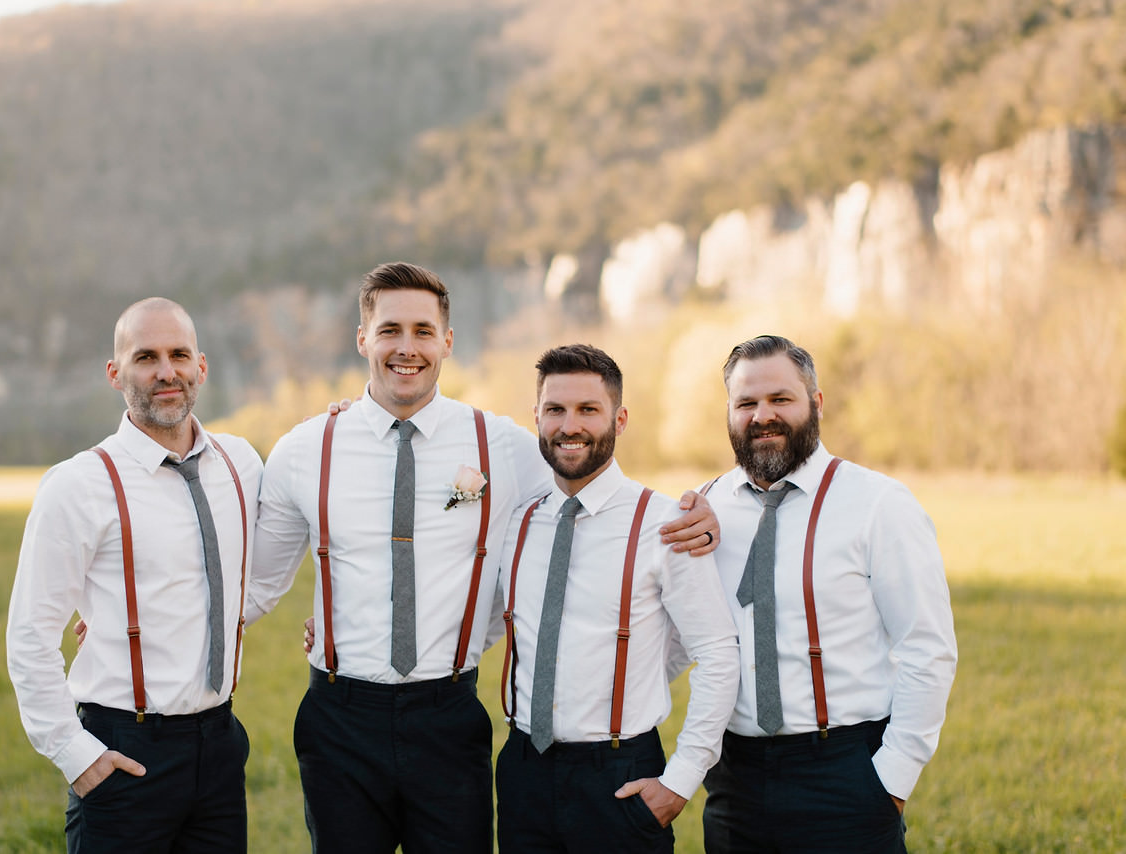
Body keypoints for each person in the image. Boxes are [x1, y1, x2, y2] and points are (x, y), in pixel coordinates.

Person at [246, 262, 719, 854]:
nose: (407, 347)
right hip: (339, 717)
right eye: (390, 329)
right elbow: (258, 586)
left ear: (447, 341)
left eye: (423, 330)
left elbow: (594, 477)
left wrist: (707, 508)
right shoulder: (303, 449)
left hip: (449, 715)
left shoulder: (505, 446)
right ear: (362, 337)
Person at [6, 298, 263, 853]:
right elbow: (30, 632)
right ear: (115, 372)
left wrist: (353, 412)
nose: (166, 372)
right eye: (146, 357)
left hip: (220, 745)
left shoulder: (242, 464)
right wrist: (76, 753)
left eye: (178, 355)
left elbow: (259, 567)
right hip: (123, 748)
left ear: (202, 366)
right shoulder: (78, 484)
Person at [696, 334, 958, 854]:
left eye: (780, 399)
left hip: (844, 773)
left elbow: (927, 648)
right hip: (734, 778)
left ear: (816, 404)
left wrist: (890, 782)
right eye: (746, 402)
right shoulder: (706, 506)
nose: (762, 415)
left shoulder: (879, 504)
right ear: (729, 412)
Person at [494, 344, 740, 853]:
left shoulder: (667, 523)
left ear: (619, 418)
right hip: (523, 770)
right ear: (536, 417)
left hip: (619, 773)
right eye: (556, 410)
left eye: (588, 409)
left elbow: (717, 653)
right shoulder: (515, 523)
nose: (570, 426)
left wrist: (679, 781)